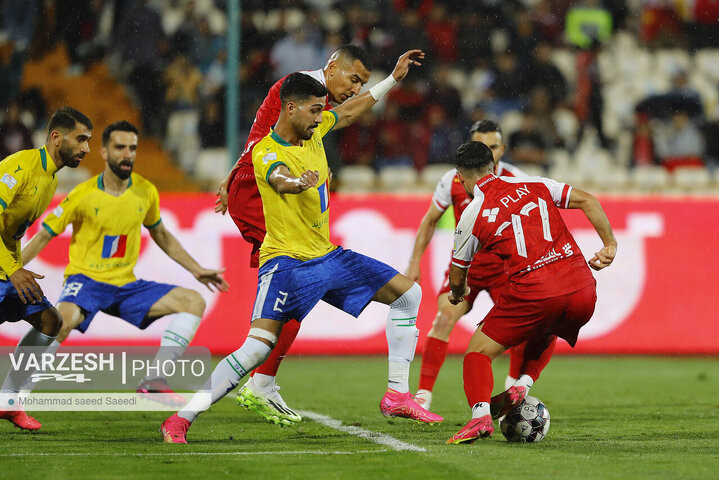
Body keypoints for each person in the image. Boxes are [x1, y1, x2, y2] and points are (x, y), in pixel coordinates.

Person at [161, 53, 442, 443]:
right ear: (290, 108)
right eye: (313, 111)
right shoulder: (270, 152)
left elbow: (347, 113)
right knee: (256, 348)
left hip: (328, 257)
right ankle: (182, 418)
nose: (321, 117)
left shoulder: (317, 125)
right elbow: (278, 179)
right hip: (289, 265)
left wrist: (392, 80)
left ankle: (396, 394)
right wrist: (299, 182)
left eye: (320, 111)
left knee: (409, 295)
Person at [214, 45, 373, 427]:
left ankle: (262, 376)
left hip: (260, 185)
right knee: (300, 278)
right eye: (354, 80)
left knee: (300, 284)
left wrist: (393, 81)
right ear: (332, 69)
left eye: (362, 84)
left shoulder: (311, 99)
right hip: (260, 190)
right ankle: (260, 379)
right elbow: (263, 143)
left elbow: (343, 116)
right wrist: (237, 176)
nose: (355, 89)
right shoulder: (297, 91)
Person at [19, 121, 228, 405]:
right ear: (104, 152)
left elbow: (161, 235)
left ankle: (154, 380)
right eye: (120, 147)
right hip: (86, 280)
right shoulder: (83, 193)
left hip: (125, 285)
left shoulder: (145, 192)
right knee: (60, 322)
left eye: (132, 148)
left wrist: (196, 269)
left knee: (194, 302)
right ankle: (14, 397)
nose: (127, 154)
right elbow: (44, 235)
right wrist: (13, 269)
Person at [444, 141, 616, 444]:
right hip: (583, 289)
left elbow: (458, 276)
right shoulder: (533, 182)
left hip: (536, 291)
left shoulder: (473, 212)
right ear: (494, 167)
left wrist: (460, 292)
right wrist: (610, 245)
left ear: (460, 178)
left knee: (477, 354)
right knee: (548, 326)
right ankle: (522, 384)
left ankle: (479, 417)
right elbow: (588, 200)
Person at [406, 120, 527, 412]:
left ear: (503, 149)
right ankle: (423, 395)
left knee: (522, 329)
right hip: (466, 269)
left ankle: (513, 388)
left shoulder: (516, 179)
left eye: (493, 146)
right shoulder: (453, 179)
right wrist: (413, 263)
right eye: (480, 145)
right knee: (444, 317)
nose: (487, 152)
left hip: (504, 271)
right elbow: (430, 220)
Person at [0, 106, 92, 430]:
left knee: (51, 321)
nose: (86, 148)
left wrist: (13, 268)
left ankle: (8, 400)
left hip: (5, 268)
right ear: (56, 137)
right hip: (5, 269)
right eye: (81, 139)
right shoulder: (19, 167)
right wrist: (12, 270)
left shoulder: (50, 181)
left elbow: (9, 231)